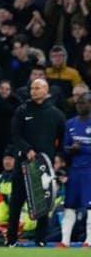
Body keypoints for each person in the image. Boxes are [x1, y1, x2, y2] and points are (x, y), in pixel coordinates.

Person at [6, 79, 66, 247]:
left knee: (43, 204)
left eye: (37, 88)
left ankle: (40, 240)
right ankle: (11, 240)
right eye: (32, 88)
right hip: (23, 165)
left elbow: (62, 140)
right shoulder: (22, 110)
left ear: (46, 90)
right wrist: (27, 150)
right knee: (16, 203)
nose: (33, 91)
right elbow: (16, 135)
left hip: (44, 167)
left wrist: (57, 158)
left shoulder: (56, 114)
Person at [60, 91, 91, 247]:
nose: (79, 106)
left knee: (90, 206)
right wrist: (71, 149)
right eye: (77, 104)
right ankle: (65, 242)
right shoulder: (70, 124)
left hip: (89, 170)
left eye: (82, 103)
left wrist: (83, 148)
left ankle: (89, 241)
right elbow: (64, 148)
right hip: (74, 170)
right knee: (69, 205)